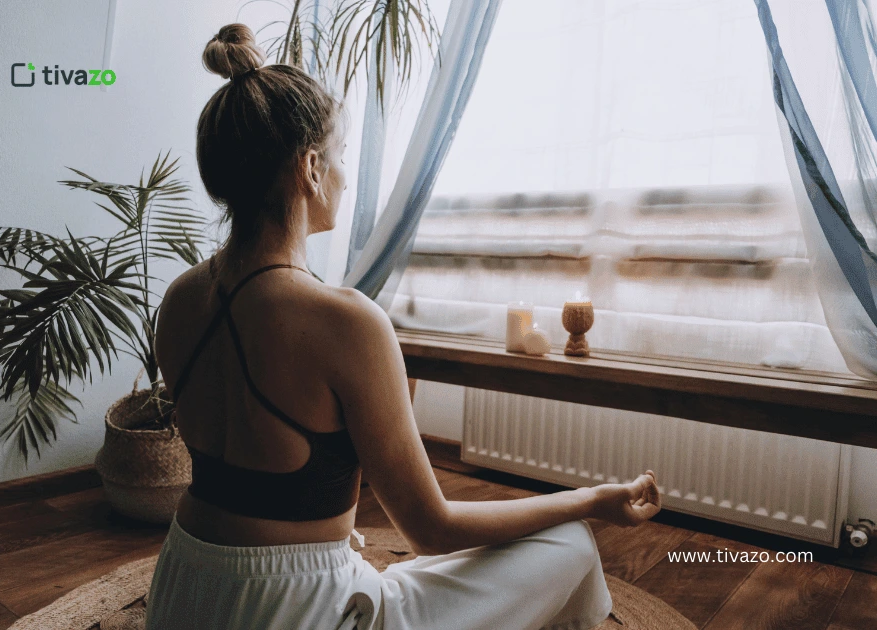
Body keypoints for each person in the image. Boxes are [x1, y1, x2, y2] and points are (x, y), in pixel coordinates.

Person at [145, 22, 662, 630]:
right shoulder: (345, 321)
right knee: (568, 541)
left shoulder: (179, 300)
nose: (344, 174)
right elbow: (432, 529)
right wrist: (591, 500)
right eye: (340, 156)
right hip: (295, 612)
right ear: (310, 168)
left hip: (183, 592)